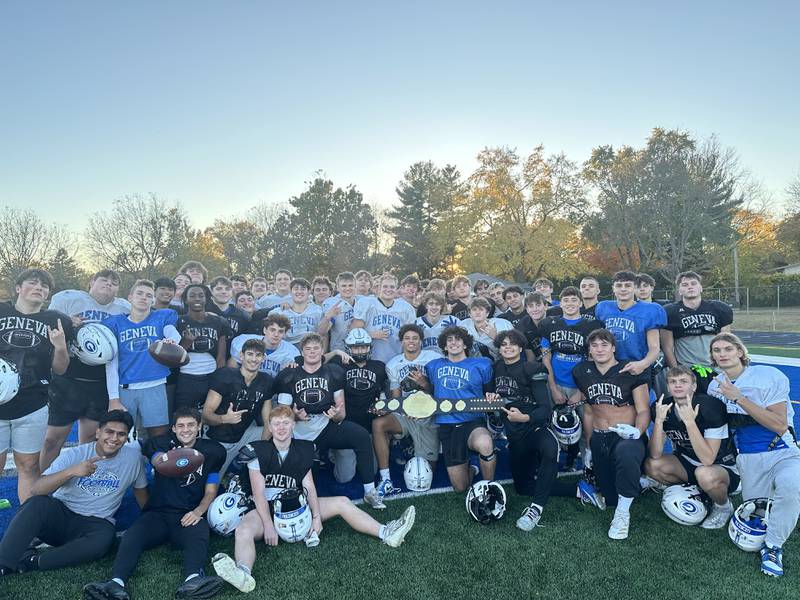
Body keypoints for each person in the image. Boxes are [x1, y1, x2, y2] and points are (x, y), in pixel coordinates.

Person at [210, 406, 416, 594]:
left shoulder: (304, 449)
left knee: (342, 502)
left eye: (286, 423)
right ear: (269, 427)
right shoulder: (258, 451)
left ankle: (386, 533)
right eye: (276, 423)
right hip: (269, 510)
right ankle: (243, 573)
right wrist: (268, 526)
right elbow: (258, 493)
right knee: (243, 530)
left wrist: (316, 518)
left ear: (293, 425)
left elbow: (309, 486)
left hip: (298, 506)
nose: (281, 427)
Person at [82, 407, 226, 600]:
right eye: (181, 425)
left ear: (199, 426)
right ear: (173, 428)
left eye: (191, 425)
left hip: (187, 513)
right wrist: (163, 459)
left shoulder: (212, 451)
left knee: (199, 532)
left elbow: (210, 491)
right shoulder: (161, 443)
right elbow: (155, 455)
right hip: (159, 513)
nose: (186, 430)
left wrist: (198, 511)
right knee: (133, 535)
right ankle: (115, 583)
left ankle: (193, 581)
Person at [0, 411, 146, 576]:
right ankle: (4, 563)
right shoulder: (75, 454)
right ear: (98, 432)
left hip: (95, 523)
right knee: (36, 504)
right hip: (61, 515)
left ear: (126, 437)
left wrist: (151, 518)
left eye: (121, 434)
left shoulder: (133, 459)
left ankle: (34, 562)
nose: (114, 438)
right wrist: (71, 471)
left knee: (105, 537)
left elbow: (141, 491)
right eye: (109, 432)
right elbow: (37, 489)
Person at [706, 333, 800, 577]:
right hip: (747, 457)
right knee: (757, 512)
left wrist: (739, 398)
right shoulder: (714, 386)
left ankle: (773, 547)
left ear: (740, 352)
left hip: (781, 450)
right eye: (717, 350)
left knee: (792, 486)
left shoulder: (768, 376)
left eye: (728, 348)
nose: (722, 354)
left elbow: (779, 424)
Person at [273, 334, 384, 509]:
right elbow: (281, 414)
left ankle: (370, 491)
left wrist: (335, 416)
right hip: (298, 433)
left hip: (325, 426)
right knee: (305, 482)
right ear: (302, 352)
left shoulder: (333, 372)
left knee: (361, 436)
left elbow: (341, 414)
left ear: (322, 351)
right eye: (308, 349)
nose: (312, 352)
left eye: (316, 348)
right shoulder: (289, 374)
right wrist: (294, 416)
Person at [41, 269, 130, 471]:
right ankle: (42, 480)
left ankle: (82, 480)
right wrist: (67, 322)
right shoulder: (69, 299)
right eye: (104, 280)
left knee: (89, 440)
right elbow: (48, 328)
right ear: (91, 282)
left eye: (114, 282)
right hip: (68, 379)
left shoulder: (123, 308)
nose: (109, 284)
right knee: (52, 440)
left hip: (100, 381)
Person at [0, 268, 72, 502]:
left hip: (33, 403)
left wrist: (60, 346)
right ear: (18, 288)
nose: (39, 287)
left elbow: (60, 369)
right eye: (33, 282)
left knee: (30, 465)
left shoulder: (56, 321)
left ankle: (26, 517)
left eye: (44, 286)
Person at [571, 329, 650, 540]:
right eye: (594, 345)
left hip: (626, 435)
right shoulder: (582, 371)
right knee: (611, 498)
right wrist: (589, 445)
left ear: (613, 348)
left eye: (604, 345)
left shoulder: (630, 370)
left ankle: (623, 515)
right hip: (600, 436)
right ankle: (638, 483)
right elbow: (588, 411)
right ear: (589, 350)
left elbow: (643, 410)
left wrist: (637, 431)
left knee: (626, 454)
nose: (599, 349)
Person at [645, 366, 738, 528]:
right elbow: (655, 454)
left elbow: (707, 459)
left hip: (720, 466)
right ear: (668, 387)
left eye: (683, 381)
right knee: (652, 465)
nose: (678, 385)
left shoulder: (710, 407)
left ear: (694, 386)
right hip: (688, 461)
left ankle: (723, 506)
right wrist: (659, 421)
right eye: (673, 382)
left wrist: (689, 422)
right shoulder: (663, 406)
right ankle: (697, 490)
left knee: (705, 474)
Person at [487, 329, 558, 531]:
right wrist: (491, 397)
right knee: (523, 488)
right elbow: (493, 394)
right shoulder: (497, 367)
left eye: (512, 344)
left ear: (520, 348)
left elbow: (545, 409)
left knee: (550, 448)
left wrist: (525, 417)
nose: (508, 347)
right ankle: (578, 490)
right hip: (515, 435)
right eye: (503, 344)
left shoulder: (531, 368)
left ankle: (535, 509)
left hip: (534, 428)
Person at [102, 279, 181, 439]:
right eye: (139, 293)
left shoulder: (161, 317)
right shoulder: (115, 323)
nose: (144, 297)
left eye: (149, 295)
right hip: (125, 387)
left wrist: (171, 341)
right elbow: (111, 364)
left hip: (155, 384)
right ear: (130, 297)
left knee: (158, 436)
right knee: (121, 435)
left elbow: (173, 334)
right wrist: (113, 399)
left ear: (153, 300)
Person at [422, 326, 495, 492]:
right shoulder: (433, 366)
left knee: (485, 443)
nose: (453, 343)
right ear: (444, 346)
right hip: (447, 425)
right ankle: (474, 466)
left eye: (458, 339)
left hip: (472, 421)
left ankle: (489, 488)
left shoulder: (481, 365)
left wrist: (492, 396)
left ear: (465, 344)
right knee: (460, 488)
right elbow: (432, 392)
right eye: (449, 340)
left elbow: (489, 391)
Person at [539, 286, 604, 469]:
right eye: (566, 300)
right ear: (560, 304)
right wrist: (553, 387)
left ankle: (588, 460)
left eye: (574, 300)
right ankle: (555, 459)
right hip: (557, 381)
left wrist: (581, 391)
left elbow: (593, 360)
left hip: (580, 384)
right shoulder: (549, 324)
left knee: (586, 423)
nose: (570, 303)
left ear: (581, 303)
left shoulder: (592, 325)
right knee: (554, 422)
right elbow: (546, 357)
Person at [372, 324, 440, 495]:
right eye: (407, 338)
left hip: (429, 415)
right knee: (379, 424)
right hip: (406, 414)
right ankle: (385, 477)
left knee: (429, 469)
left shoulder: (434, 358)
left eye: (415, 338)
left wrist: (424, 383)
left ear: (421, 341)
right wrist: (394, 409)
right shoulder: (394, 364)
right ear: (401, 341)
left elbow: (440, 393)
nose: (411, 341)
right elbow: (397, 398)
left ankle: (409, 445)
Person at [203, 339, 274, 475]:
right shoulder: (225, 376)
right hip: (218, 439)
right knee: (211, 481)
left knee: (280, 430)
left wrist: (261, 449)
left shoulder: (266, 381)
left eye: (258, 355)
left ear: (263, 358)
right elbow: (206, 416)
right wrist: (224, 419)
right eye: (250, 354)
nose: (254, 359)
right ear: (241, 356)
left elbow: (268, 422)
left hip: (244, 436)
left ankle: (250, 473)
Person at [326, 329, 387, 486]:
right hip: (346, 427)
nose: (360, 351)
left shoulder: (379, 367)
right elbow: (314, 362)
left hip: (368, 427)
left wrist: (382, 406)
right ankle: (335, 452)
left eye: (363, 347)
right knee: (344, 477)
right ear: (348, 348)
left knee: (373, 471)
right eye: (355, 347)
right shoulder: (338, 365)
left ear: (369, 347)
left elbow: (383, 393)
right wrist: (335, 352)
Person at [662, 271, 733, 392]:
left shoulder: (718, 309)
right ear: (679, 290)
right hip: (688, 369)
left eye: (693, 283)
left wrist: (726, 367)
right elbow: (667, 347)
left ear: (701, 288)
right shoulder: (670, 312)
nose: (690, 287)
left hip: (716, 368)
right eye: (685, 284)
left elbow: (726, 342)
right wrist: (677, 371)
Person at [595, 270, 666, 377]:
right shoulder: (603, 307)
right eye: (619, 285)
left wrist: (642, 364)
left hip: (638, 365)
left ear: (635, 288)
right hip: (610, 366)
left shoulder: (650, 310)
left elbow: (654, 347)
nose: (623, 289)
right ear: (613, 288)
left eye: (628, 285)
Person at [175, 284, 231, 411]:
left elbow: (221, 357)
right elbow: (174, 357)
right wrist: (186, 342)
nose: (197, 299)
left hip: (211, 376)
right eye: (192, 296)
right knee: (184, 415)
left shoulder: (219, 322)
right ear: (186, 300)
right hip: (186, 379)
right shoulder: (178, 322)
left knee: (210, 414)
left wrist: (219, 380)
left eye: (201, 295)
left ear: (206, 299)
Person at [351, 273, 416, 364]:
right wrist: (370, 334)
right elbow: (353, 332)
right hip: (370, 361)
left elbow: (411, 336)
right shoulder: (367, 303)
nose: (388, 289)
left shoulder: (406, 308)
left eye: (392, 287)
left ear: (396, 289)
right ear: (379, 288)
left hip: (396, 360)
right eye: (385, 286)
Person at [229, 314, 299, 379]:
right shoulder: (243, 341)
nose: (276, 334)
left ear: (285, 334)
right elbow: (231, 370)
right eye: (272, 330)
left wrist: (288, 371)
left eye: (280, 331)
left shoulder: (291, 352)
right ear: (265, 330)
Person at [268, 278, 324, 348]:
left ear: (309, 292)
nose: (299, 291)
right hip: (286, 349)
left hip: (311, 349)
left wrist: (323, 353)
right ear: (290, 292)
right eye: (296, 289)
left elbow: (324, 335)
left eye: (303, 289)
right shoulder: (278, 313)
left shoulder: (318, 311)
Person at [318, 271, 360, 352]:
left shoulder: (362, 301)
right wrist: (327, 317)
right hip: (339, 351)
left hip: (360, 349)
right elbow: (322, 332)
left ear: (355, 286)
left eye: (350, 285)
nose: (347, 288)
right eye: (344, 286)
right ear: (337, 287)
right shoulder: (333, 303)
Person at [206, 276, 250, 340]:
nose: (224, 292)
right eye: (219, 289)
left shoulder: (242, 315)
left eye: (227, 289)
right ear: (211, 291)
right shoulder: (204, 312)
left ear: (232, 292)